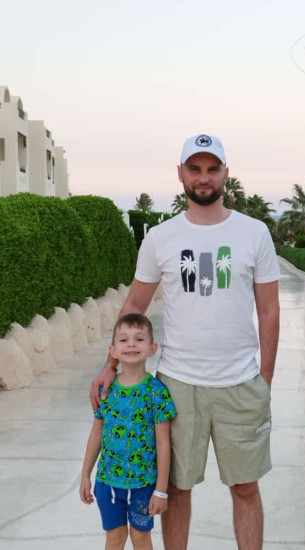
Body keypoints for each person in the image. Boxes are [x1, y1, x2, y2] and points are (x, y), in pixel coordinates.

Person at [90, 133, 281, 550]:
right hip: (177, 386)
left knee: (245, 488)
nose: (204, 177)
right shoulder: (161, 238)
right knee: (175, 490)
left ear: (226, 174)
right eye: (195, 169)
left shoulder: (254, 233)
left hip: (240, 384)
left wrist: (264, 379)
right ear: (180, 174)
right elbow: (135, 304)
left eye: (213, 169)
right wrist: (110, 364)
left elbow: (269, 310)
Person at [81, 313, 177, 550]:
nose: (131, 344)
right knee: (114, 537)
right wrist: (85, 475)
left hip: (144, 484)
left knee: (141, 537)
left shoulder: (157, 392)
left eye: (139, 339)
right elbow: (96, 435)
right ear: (113, 351)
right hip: (108, 482)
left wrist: (161, 491)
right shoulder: (106, 391)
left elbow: (163, 444)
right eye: (124, 340)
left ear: (152, 348)